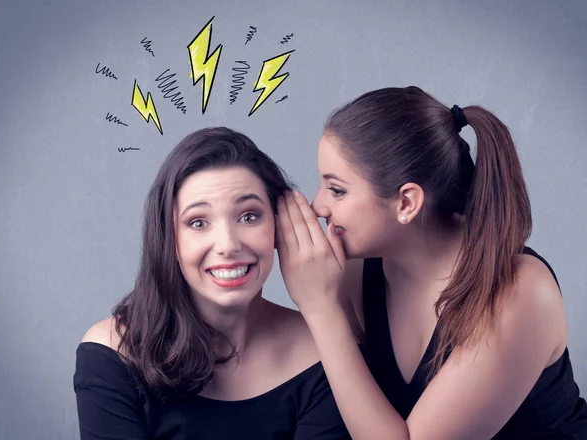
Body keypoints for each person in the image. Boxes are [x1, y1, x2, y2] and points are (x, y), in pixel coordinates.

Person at [275, 86, 587, 439]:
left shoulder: (519, 293)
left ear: (407, 203)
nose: (318, 207)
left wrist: (320, 309)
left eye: (337, 190)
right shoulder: (353, 275)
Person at [73, 127, 350, 439]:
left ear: (280, 224)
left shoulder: (328, 354)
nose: (228, 244)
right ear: (169, 239)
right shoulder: (113, 353)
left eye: (248, 216)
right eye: (198, 223)